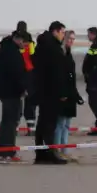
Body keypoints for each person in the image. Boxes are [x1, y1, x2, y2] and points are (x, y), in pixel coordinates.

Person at [32, 21, 70, 165]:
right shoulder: (52, 47)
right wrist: (62, 92)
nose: (63, 35)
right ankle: (48, 153)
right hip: (50, 91)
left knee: (42, 122)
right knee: (49, 123)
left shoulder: (42, 45)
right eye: (62, 32)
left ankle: (41, 153)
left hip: (42, 90)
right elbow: (57, 73)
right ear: (55, 31)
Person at [0, 30, 31, 163]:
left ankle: (10, 151)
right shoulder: (10, 52)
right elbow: (16, 75)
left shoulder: (8, 49)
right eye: (24, 42)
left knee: (12, 121)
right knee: (9, 122)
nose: (25, 45)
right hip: (10, 92)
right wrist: (24, 88)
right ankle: (5, 153)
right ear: (18, 39)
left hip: (11, 92)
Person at [56, 30, 84, 163]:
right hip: (62, 95)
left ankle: (64, 150)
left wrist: (76, 95)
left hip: (70, 94)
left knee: (66, 124)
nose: (71, 41)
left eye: (73, 39)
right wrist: (62, 93)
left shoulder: (68, 54)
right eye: (69, 39)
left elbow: (71, 77)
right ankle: (57, 150)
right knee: (60, 124)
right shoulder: (60, 53)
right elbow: (60, 76)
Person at [16, 21, 37, 134]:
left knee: (17, 100)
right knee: (30, 101)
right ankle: (31, 127)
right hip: (29, 72)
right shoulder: (30, 41)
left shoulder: (14, 40)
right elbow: (33, 56)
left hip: (18, 72)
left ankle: (15, 125)